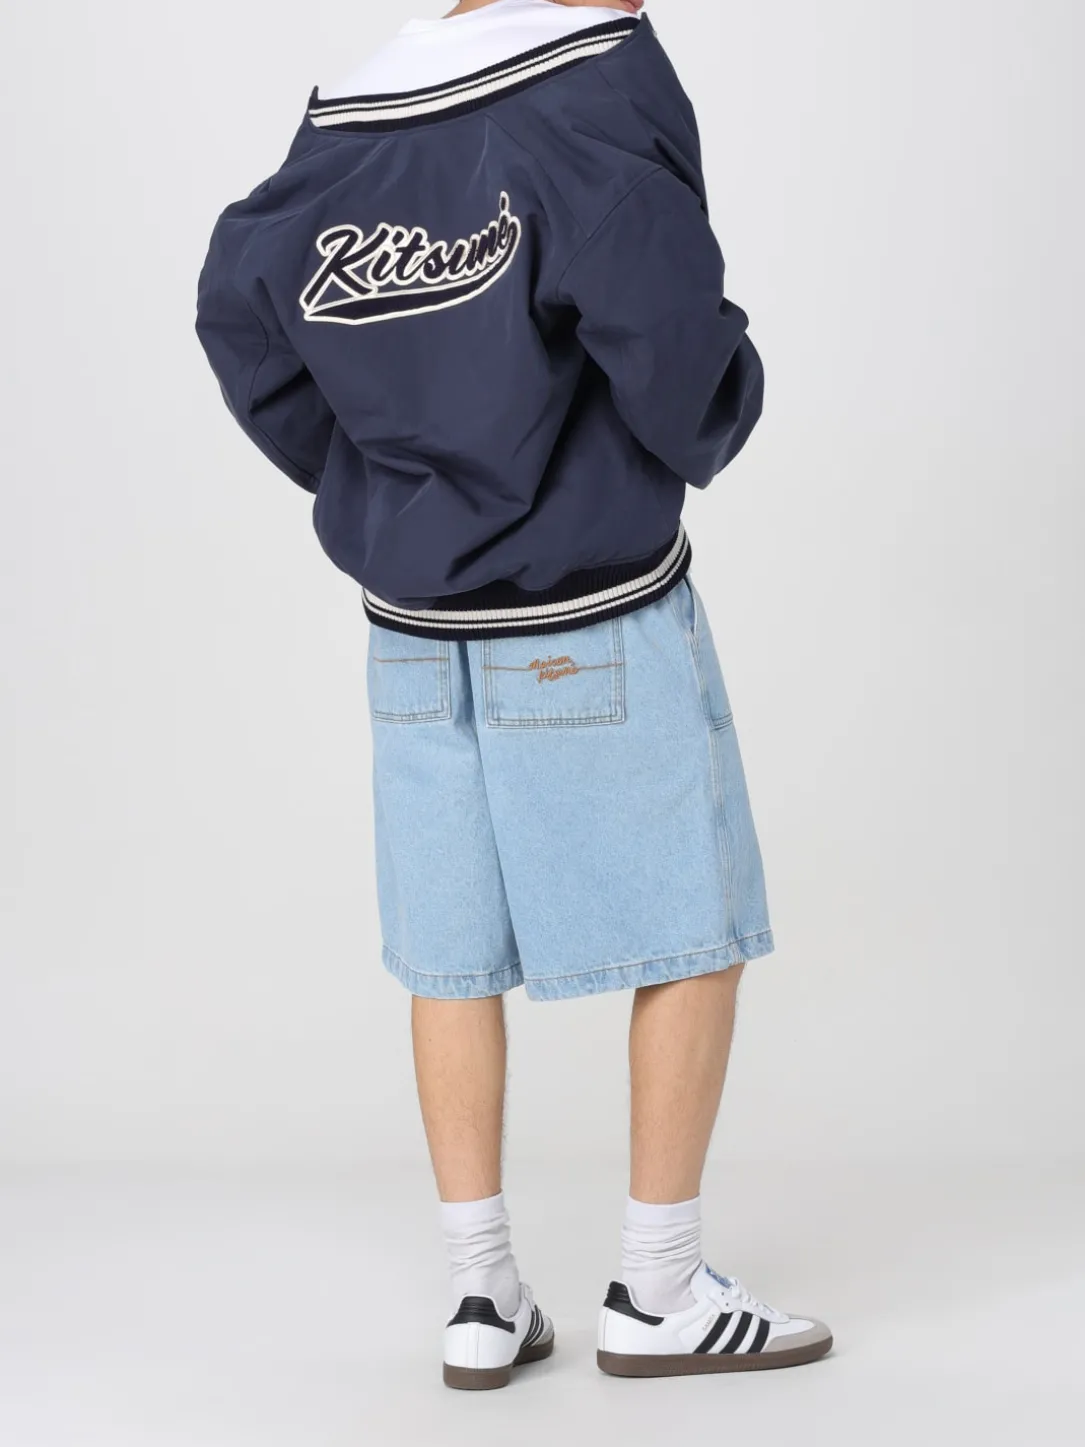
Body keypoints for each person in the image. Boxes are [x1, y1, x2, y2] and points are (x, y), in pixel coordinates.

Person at [196, 0, 832, 1390]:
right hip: (589, 610)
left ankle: (481, 1294)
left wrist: (384, 481)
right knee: (693, 926)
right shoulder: (591, 88)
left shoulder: (348, 120)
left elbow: (238, 310)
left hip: (412, 635)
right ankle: (659, 1287)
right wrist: (717, 404)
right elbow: (665, 322)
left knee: (452, 955)